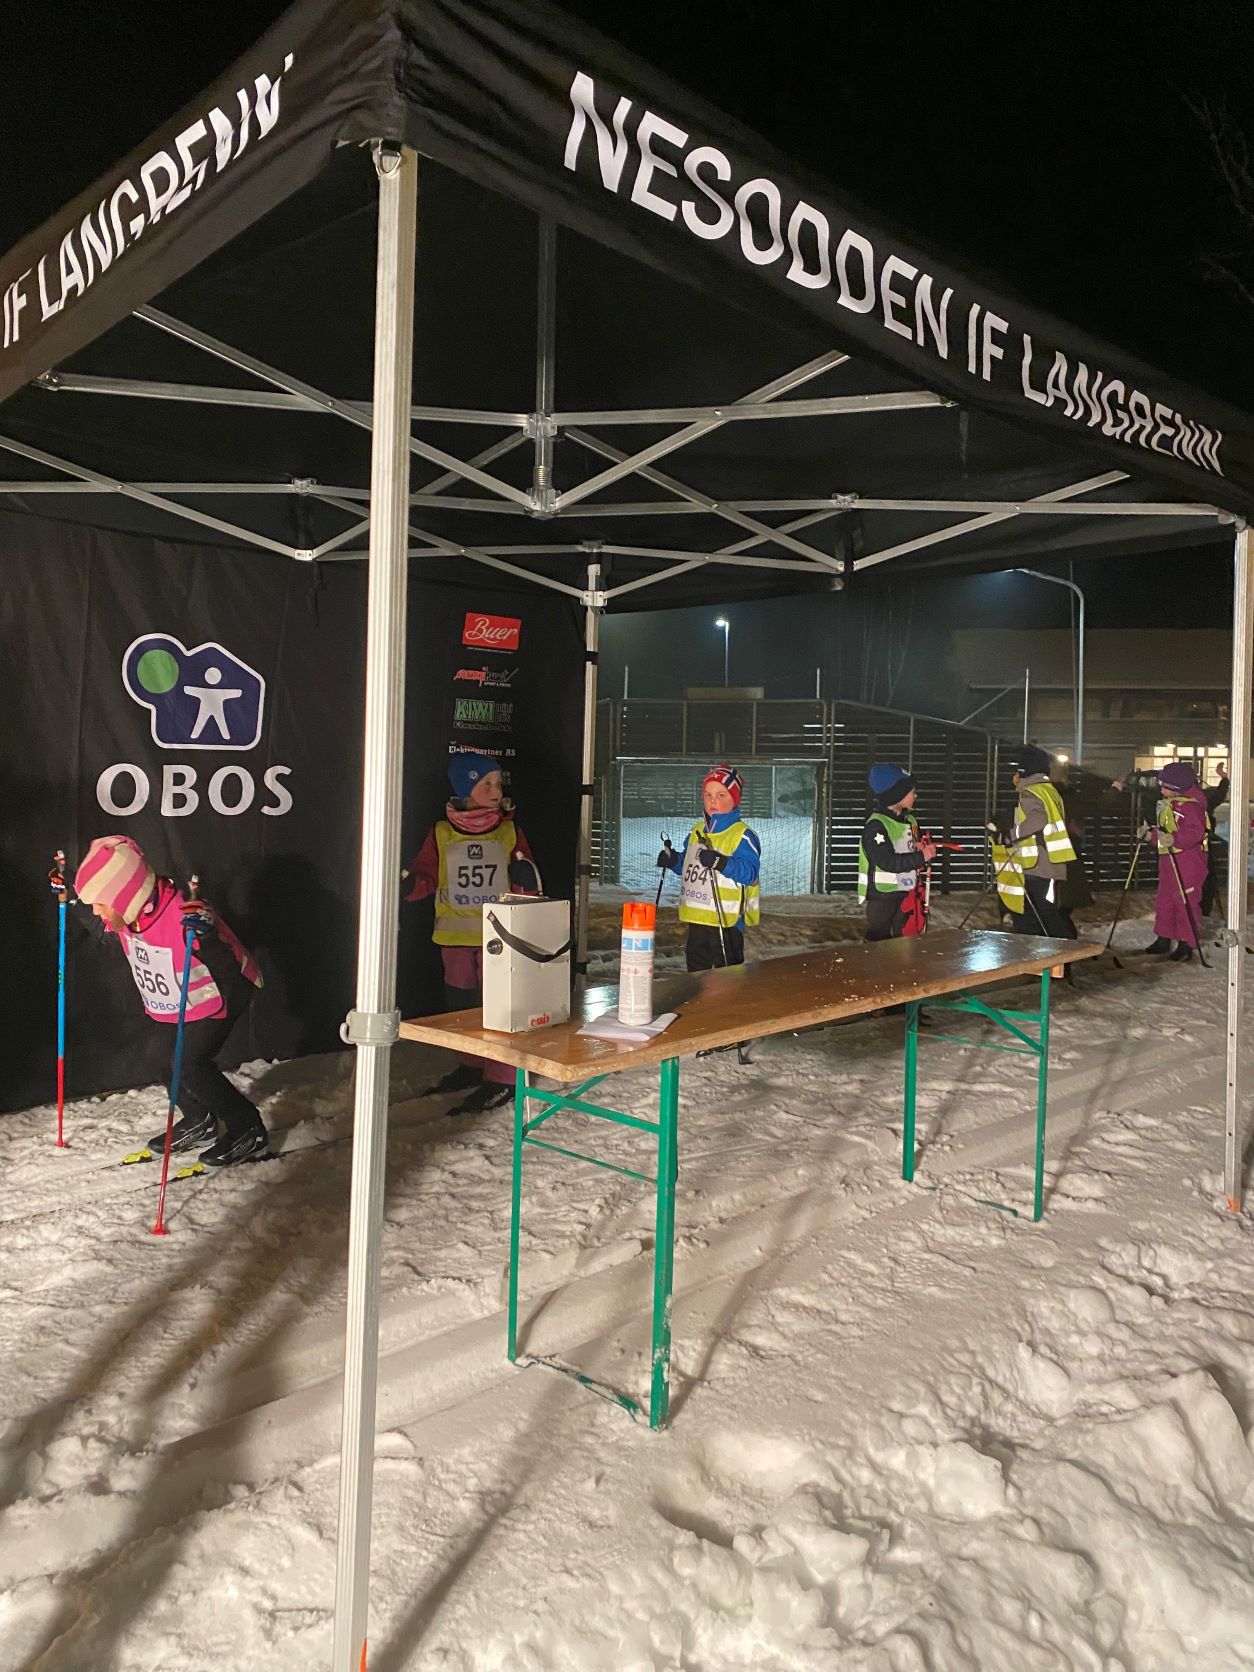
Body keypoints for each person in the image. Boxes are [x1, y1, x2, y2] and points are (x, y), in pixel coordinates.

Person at [62, 835, 268, 1165]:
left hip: (224, 989)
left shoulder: (181, 914)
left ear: (126, 896)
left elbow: (226, 968)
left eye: (100, 902)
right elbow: (103, 933)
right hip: (184, 996)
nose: (95, 910)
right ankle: (200, 1119)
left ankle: (248, 1129)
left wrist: (206, 936)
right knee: (157, 1054)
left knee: (190, 1063)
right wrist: (71, 899)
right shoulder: (131, 912)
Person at [405, 752, 537, 1112]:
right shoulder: (441, 833)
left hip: (501, 938)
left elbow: (528, 880)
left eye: (498, 783)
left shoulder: (509, 830)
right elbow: (426, 876)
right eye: (487, 784)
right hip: (456, 942)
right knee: (463, 1008)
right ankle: (471, 1063)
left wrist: (526, 881)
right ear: (466, 789)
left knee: (501, 1007)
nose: (497, 790)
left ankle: (503, 1076)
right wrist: (409, 885)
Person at [656, 764, 761, 970]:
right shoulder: (697, 831)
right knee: (696, 974)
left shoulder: (742, 835)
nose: (713, 800)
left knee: (727, 976)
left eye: (721, 795)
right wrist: (674, 860)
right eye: (708, 795)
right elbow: (689, 864)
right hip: (698, 918)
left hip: (727, 922)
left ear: (734, 800)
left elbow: (750, 872)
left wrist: (721, 862)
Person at [993, 745, 1076, 942]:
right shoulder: (1048, 791)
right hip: (1049, 862)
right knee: (1043, 914)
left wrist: (1012, 834)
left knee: (1043, 917)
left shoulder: (1030, 792)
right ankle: (1049, 956)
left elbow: (1038, 819)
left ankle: (1060, 956)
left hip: (1038, 865)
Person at [857, 763, 938, 941]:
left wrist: (917, 847)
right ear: (897, 795)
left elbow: (904, 847)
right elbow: (887, 861)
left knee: (904, 942)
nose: (915, 795)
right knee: (877, 943)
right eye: (912, 792)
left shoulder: (909, 821)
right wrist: (921, 856)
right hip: (882, 898)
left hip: (906, 893)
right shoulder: (876, 826)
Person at [1140, 760, 1209, 962]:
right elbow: (1165, 831)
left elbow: (1194, 833)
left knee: (1184, 901)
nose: (1161, 790)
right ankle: (1164, 937)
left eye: (1165, 786)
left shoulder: (1192, 806)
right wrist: (1150, 835)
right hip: (1169, 861)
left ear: (1177, 787)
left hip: (1188, 862)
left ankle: (1186, 942)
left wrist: (1174, 839)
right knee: (1165, 900)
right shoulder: (1169, 804)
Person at [1200, 761, 1230, 920]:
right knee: (1207, 878)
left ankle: (1198, 911)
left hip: (1188, 847)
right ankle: (1204, 911)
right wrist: (1224, 778)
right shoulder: (1203, 799)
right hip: (1203, 844)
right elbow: (1218, 795)